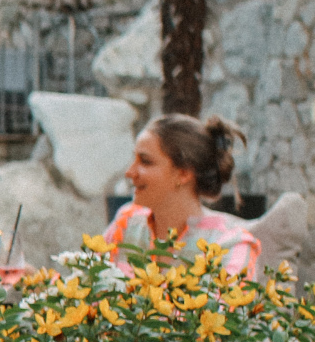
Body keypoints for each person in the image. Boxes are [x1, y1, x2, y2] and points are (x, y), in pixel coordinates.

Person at [103, 113, 260, 278]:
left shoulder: (230, 244)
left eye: (146, 161)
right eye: (134, 159)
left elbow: (230, 295)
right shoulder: (126, 223)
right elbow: (89, 283)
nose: (129, 172)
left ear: (183, 173)